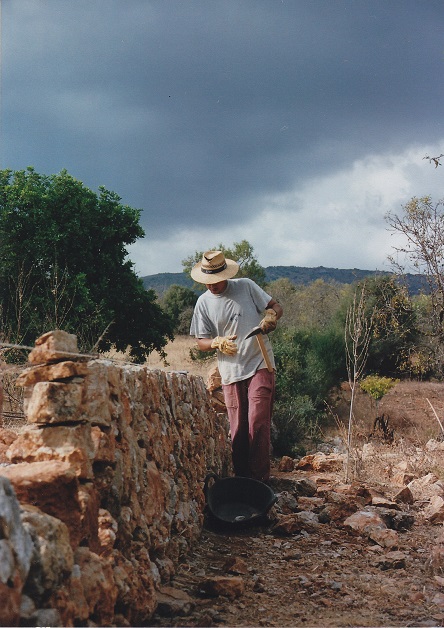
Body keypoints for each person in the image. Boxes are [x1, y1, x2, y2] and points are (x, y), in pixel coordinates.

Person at [190, 250, 283, 483]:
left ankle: (260, 482)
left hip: (259, 361)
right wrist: (217, 342)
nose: (212, 286)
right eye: (207, 281)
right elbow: (201, 342)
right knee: (239, 430)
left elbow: (276, 307)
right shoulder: (203, 303)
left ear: (226, 275)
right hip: (230, 371)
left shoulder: (246, 286)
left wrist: (271, 317)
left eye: (216, 280)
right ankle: (242, 482)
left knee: (257, 420)